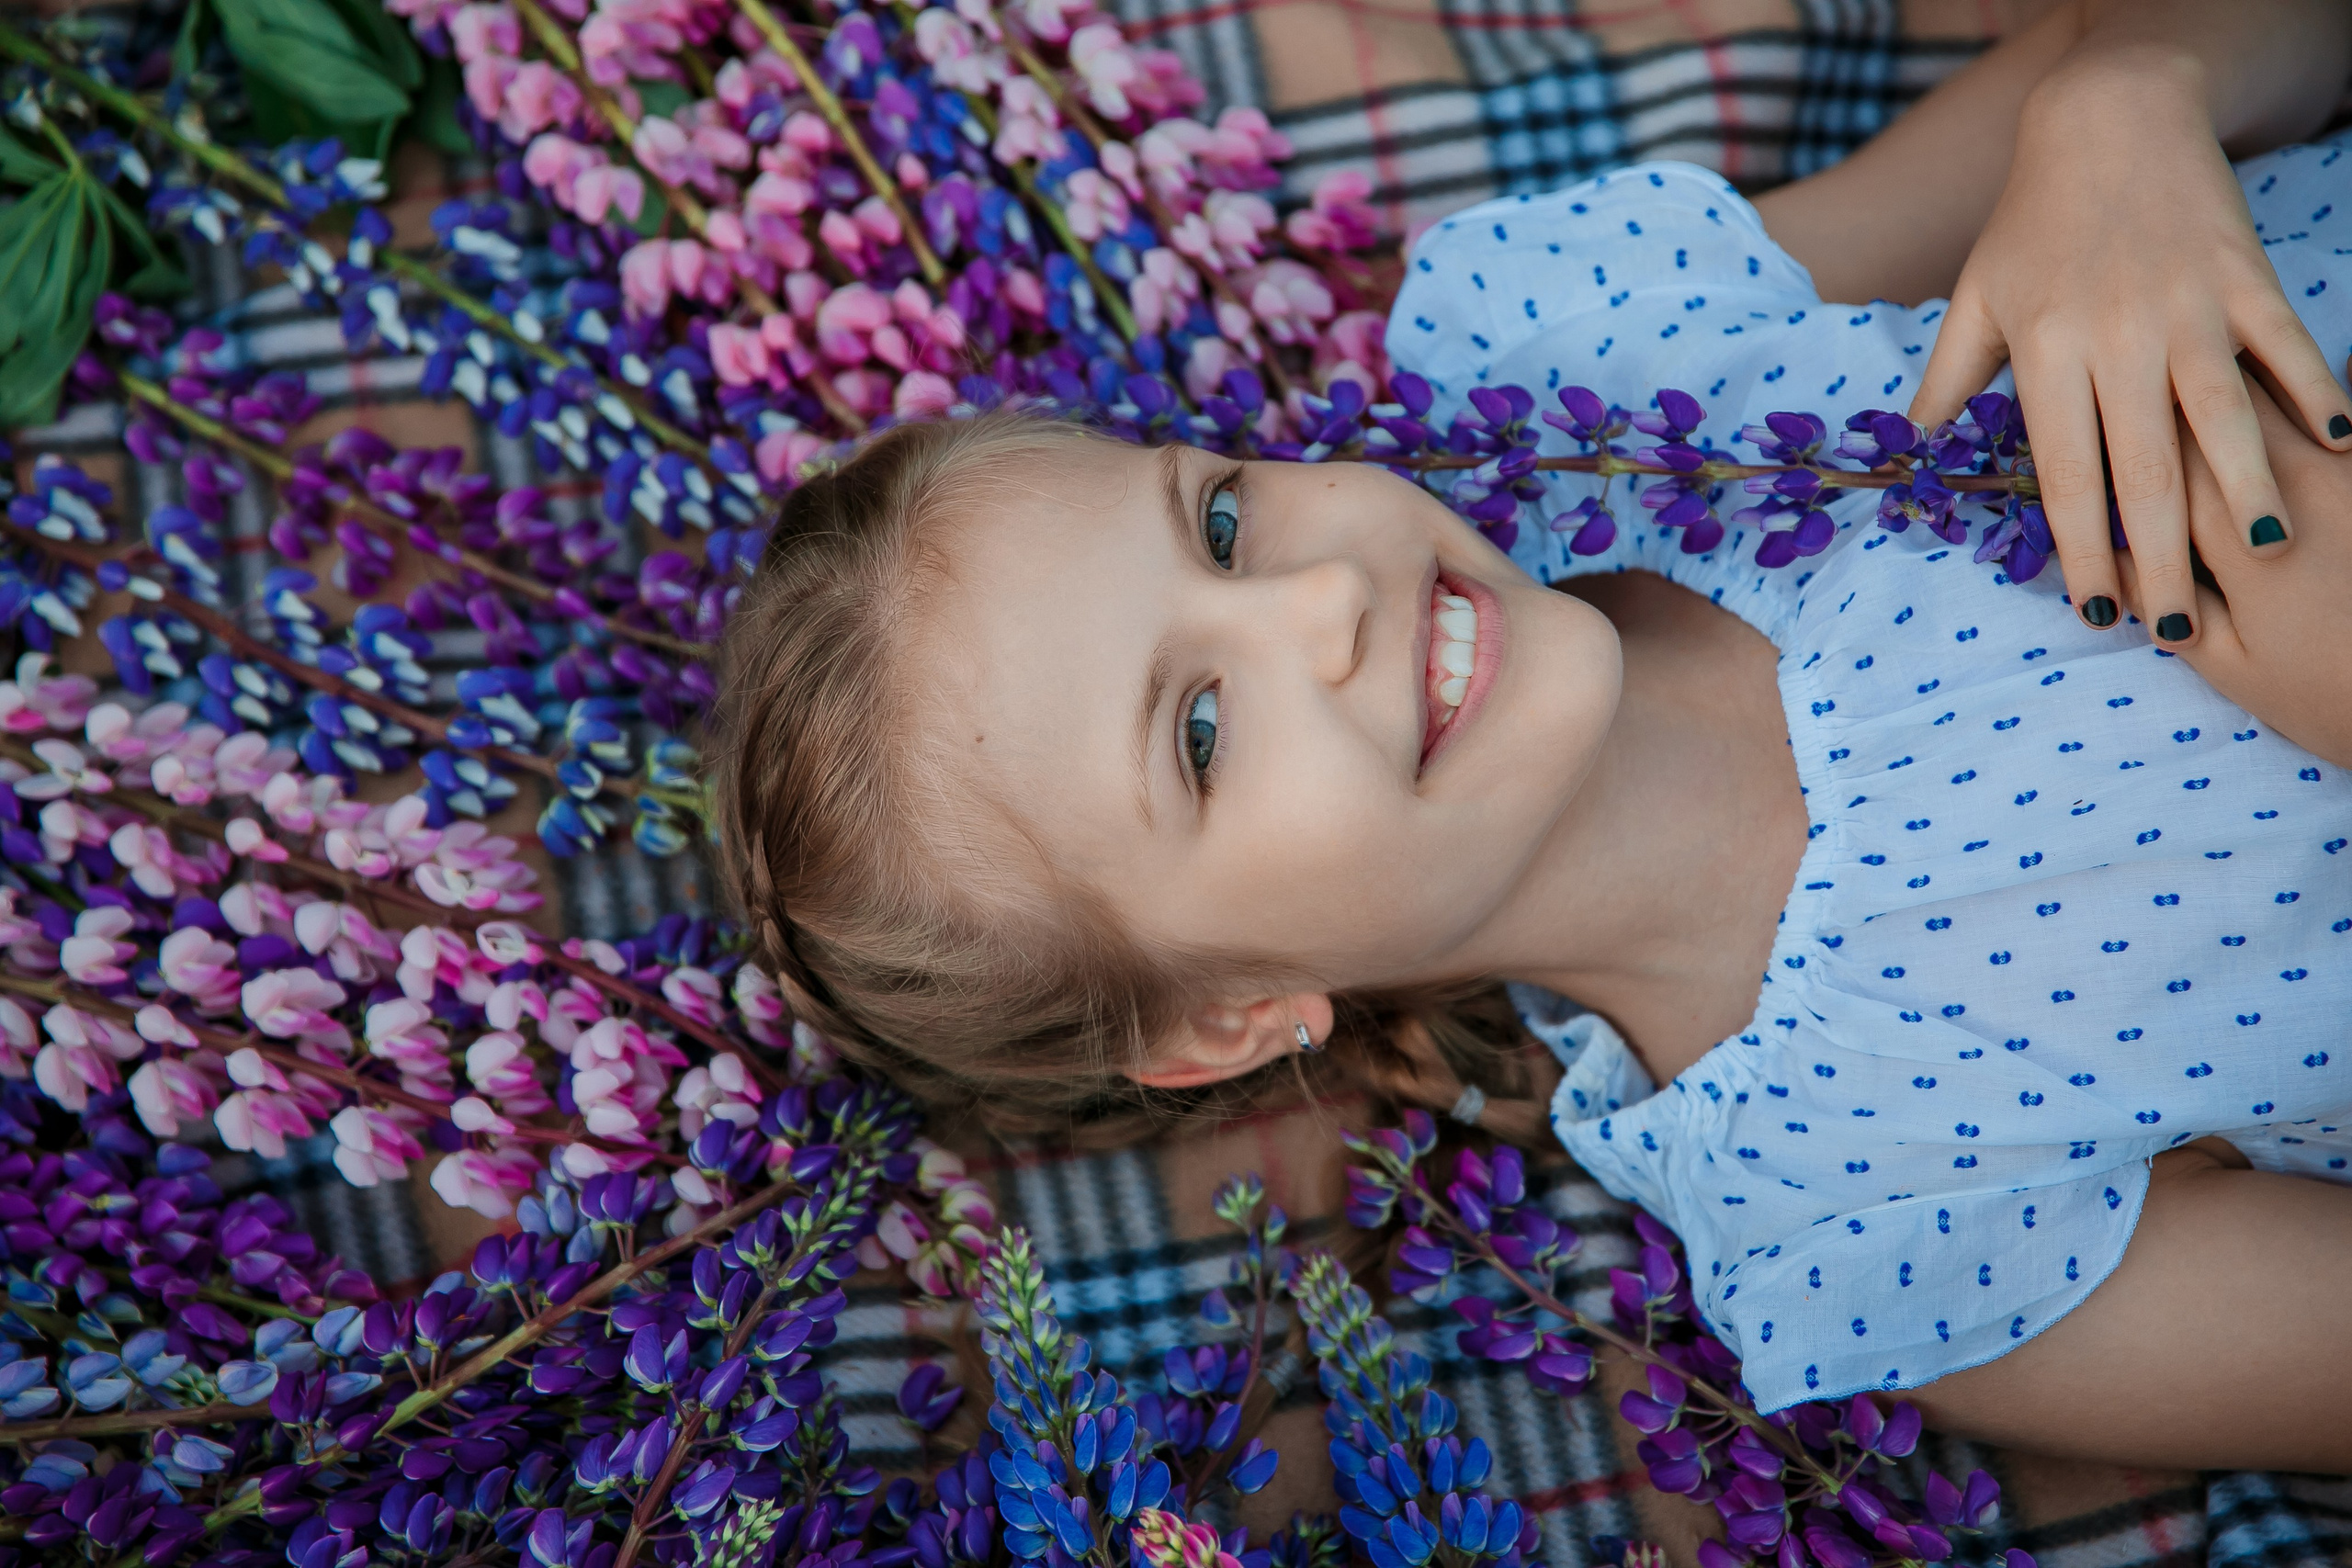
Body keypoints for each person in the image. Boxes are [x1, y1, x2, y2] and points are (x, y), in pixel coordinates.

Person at [712, 0, 2352, 1471]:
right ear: (1224, 1017)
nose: (1317, 606)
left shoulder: (1591, 371)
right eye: (1201, 733)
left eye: (1218, 522)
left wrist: (2130, 96)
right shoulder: (1866, 1214)